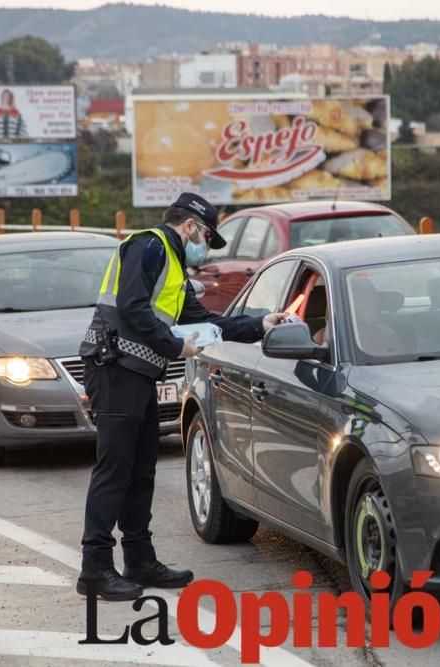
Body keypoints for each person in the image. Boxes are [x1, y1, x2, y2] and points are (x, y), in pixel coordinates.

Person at [76, 192, 288, 601]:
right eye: (207, 237)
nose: (205, 247)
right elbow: (132, 309)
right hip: (113, 368)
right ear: (191, 226)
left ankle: (139, 559)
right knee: (114, 470)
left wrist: (261, 324)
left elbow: (203, 320)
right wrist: (177, 349)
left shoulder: (171, 263)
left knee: (141, 470)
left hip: (136, 374)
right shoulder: (149, 245)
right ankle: (95, 569)